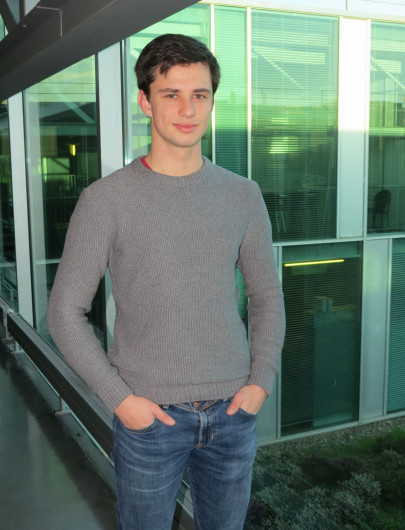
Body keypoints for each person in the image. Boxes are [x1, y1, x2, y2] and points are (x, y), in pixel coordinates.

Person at [47, 33, 285, 530]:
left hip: (233, 413)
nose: (187, 109)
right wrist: (120, 400)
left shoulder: (243, 196)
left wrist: (261, 381)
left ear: (212, 101)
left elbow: (266, 296)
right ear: (145, 101)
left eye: (200, 94)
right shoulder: (104, 201)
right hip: (149, 419)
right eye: (171, 93)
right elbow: (64, 313)